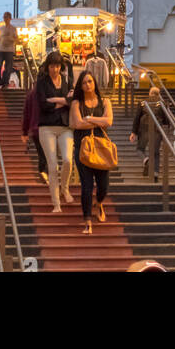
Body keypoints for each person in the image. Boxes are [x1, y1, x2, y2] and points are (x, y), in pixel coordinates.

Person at [70, 70, 114, 234]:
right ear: (80, 86)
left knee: (103, 185)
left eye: (89, 81)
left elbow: (109, 121)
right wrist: (98, 121)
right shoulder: (76, 103)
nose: (87, 85)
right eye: (84, 83)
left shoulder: (105, 101)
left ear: (94, 82)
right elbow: (77, 124)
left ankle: (100, 202)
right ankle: (87, 221)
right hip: (82, 148)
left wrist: (89, 119)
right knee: (86, 186)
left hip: (102, 148)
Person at [35, 51, 74, 212]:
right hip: (46, 127)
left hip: (65, 126)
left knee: (67, 160)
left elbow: (72, 101)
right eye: (52, 66)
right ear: (47, 66)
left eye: (57, 66)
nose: (55, 69)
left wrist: (57, 100)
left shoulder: (67, 81)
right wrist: (63, 101)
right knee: (52, 165)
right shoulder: (42, 83)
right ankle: (56, 203)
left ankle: (64, 188)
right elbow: (43, 105)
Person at [130, 86, 171, 175]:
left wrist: (134, 132)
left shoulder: (143, 102)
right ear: (158, 94)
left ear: (150, 93)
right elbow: (166, 119)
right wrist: (167, 127)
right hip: (157, 128)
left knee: (140, 149)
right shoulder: (162, 103)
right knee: (155, 152)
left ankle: (146, 160)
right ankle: (155, 172)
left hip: (143, 128)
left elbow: (137, 118)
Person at [21, 79, 50, 183]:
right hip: (47, 127)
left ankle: (44, 173)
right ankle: (45, 173)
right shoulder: (48, 92)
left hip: (35, 130)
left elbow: (26, 114)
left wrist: (25, 132)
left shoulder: (31, 94)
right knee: (47, 153)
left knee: (42, 153)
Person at [0, 12, 17, 88]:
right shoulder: (1, 28)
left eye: (7, 17)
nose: (5, 19)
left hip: (9, 50)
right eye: (4, 17)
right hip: (1, 49)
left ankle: (5, 82)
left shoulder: (13, 28)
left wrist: (10, 38)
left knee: (8, 68)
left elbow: (16, 38)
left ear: (10, 18)